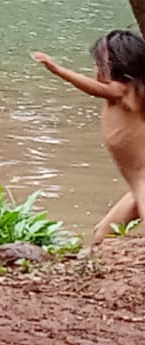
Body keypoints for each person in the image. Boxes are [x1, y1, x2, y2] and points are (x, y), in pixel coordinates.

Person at [33, 29, 145, 241]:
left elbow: (94, 88)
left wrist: (57, 69)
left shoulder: (124, 92)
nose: (95, 69)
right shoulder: (134, 94)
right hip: (136, 185)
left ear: (115, 66)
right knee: (102, 234)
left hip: (143, 180)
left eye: (99, 63)